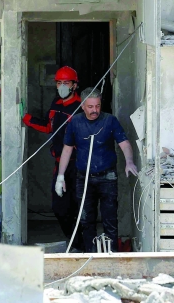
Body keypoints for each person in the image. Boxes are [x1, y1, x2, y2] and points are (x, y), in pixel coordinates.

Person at [56, 87, 139, 252]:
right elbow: (67, 149)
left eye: (98, 106)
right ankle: (90, 255)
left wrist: (129, 162)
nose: (95, 110)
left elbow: (124, 143)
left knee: (110, 219)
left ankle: (113, 255)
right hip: (83, 177)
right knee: (86, 219)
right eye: (91, 107)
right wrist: (60, 176)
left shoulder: (109, 121)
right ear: (83, 106)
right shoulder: (75, 122)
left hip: (107, 177)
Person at [22, 66, 83, 249]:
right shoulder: (56, 104)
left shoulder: (81, 107)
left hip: (78, 166)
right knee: (59, 207)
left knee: (78, 208)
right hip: (60, 165)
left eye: (66, 83)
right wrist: (27, 119)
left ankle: (80, 245)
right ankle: (74, 241)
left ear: (74, 85)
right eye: (59, 83)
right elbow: (49, 127)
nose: (62, 86)